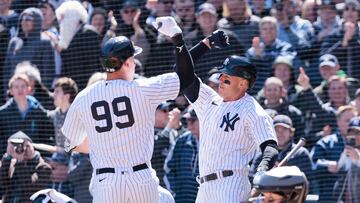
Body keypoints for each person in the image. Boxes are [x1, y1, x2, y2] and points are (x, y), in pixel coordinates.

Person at [61, 16, 194, 203]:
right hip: (141, 178)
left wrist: (103, 142)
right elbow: (186, 77)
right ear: (127, 62)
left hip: (107, 182)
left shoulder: (84, 96)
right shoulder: (143, 88)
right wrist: (177, 38)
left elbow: (71, 143)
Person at [179, 52, 278, 202]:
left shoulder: (252, 110)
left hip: (231, 184)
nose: (220, 80)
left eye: (227, 78)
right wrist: (203, 44)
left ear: (243, 84)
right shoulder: (210, 101)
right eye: (221, 76)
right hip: (204, 187)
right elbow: (182, 73)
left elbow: (270, 147)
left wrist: (263, 169)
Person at [0, 131, 52, 203]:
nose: (23, 150)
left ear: (33, 146)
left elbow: (30, 188)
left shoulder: (44, 167)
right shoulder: (12, 165)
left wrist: (20, 161)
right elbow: (2, 186)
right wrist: (7, 157)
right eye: (17, 147)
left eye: (27, 146)